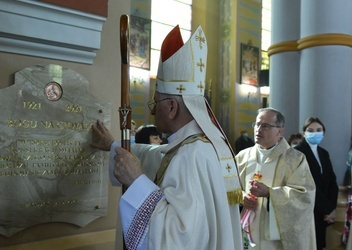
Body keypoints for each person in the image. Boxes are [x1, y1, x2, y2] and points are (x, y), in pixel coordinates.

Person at [91, 25, 243, 249]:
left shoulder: (190, 156)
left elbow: (179, 238)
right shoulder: (203, 146)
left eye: (155, 103)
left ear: (172, 107)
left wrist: (136, 181)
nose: (152, 111)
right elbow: (156, 155)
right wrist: (114, 145)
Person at [235, 107, 316, 249]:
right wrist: (241, 197)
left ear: (279, 131)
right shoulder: (242, 157)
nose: (258, 130)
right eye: (257, 124)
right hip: (245, 233)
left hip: (274, 240)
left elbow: (305, 196)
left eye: (265, 126)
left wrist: (270, 193)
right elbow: (226, 186)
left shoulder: (295, 159)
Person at [294, 117, 339, 250]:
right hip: (306, 209)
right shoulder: (297, 152)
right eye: (311, 130)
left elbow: (332, 182)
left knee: (318, 245)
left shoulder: (324, 153)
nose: (315, 133)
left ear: (323, 133)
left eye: (319, 130)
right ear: (304, 133)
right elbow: (305, 184)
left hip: (322, 214)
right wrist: (327, 208)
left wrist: (331, 208)